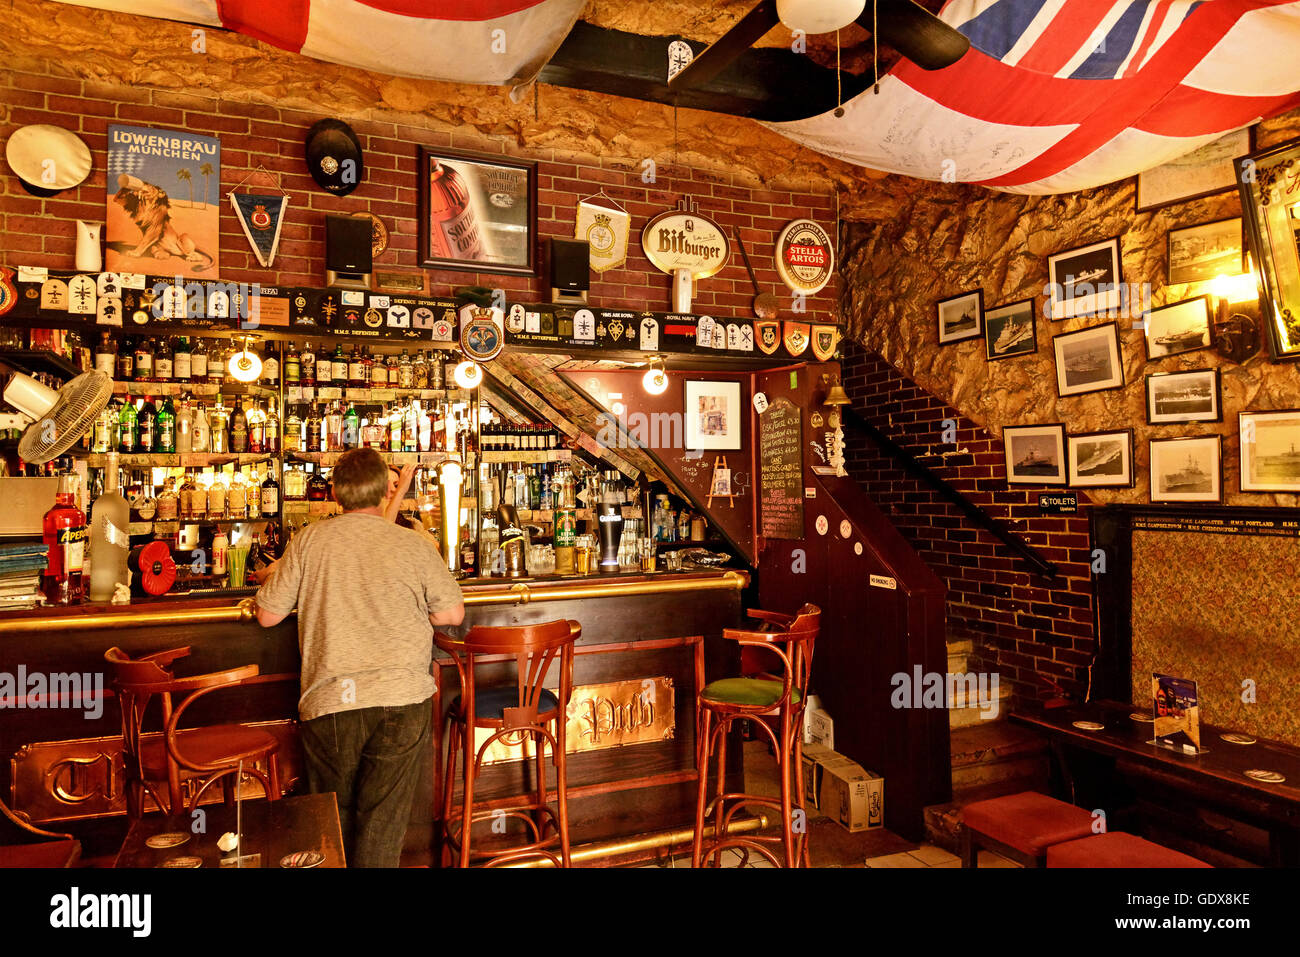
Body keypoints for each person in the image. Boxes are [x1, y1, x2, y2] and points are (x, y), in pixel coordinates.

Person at [252, 448, 464, 867]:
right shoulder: (413, 543)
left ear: (334, 492)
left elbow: (267, 615)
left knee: (330, 822)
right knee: (381, 822)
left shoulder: (310, 540)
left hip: (332, 700)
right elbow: (451, 615)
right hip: (402, 699)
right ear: (386, 489)